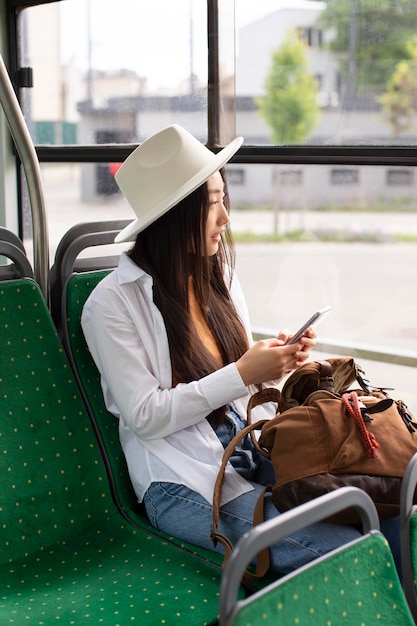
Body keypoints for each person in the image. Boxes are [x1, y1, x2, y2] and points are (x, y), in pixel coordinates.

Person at [81, 124, 400, 576]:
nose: (226, 218)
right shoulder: (112, 304)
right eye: (212, 203)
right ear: (176, 214)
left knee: (390, 515)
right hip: (183, 481)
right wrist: (244, 371)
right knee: (347, 551)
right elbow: (146, 417)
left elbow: (240, 385)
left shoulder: (219, 278)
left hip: (252, 448)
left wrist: (278, 363)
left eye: (222, 199)